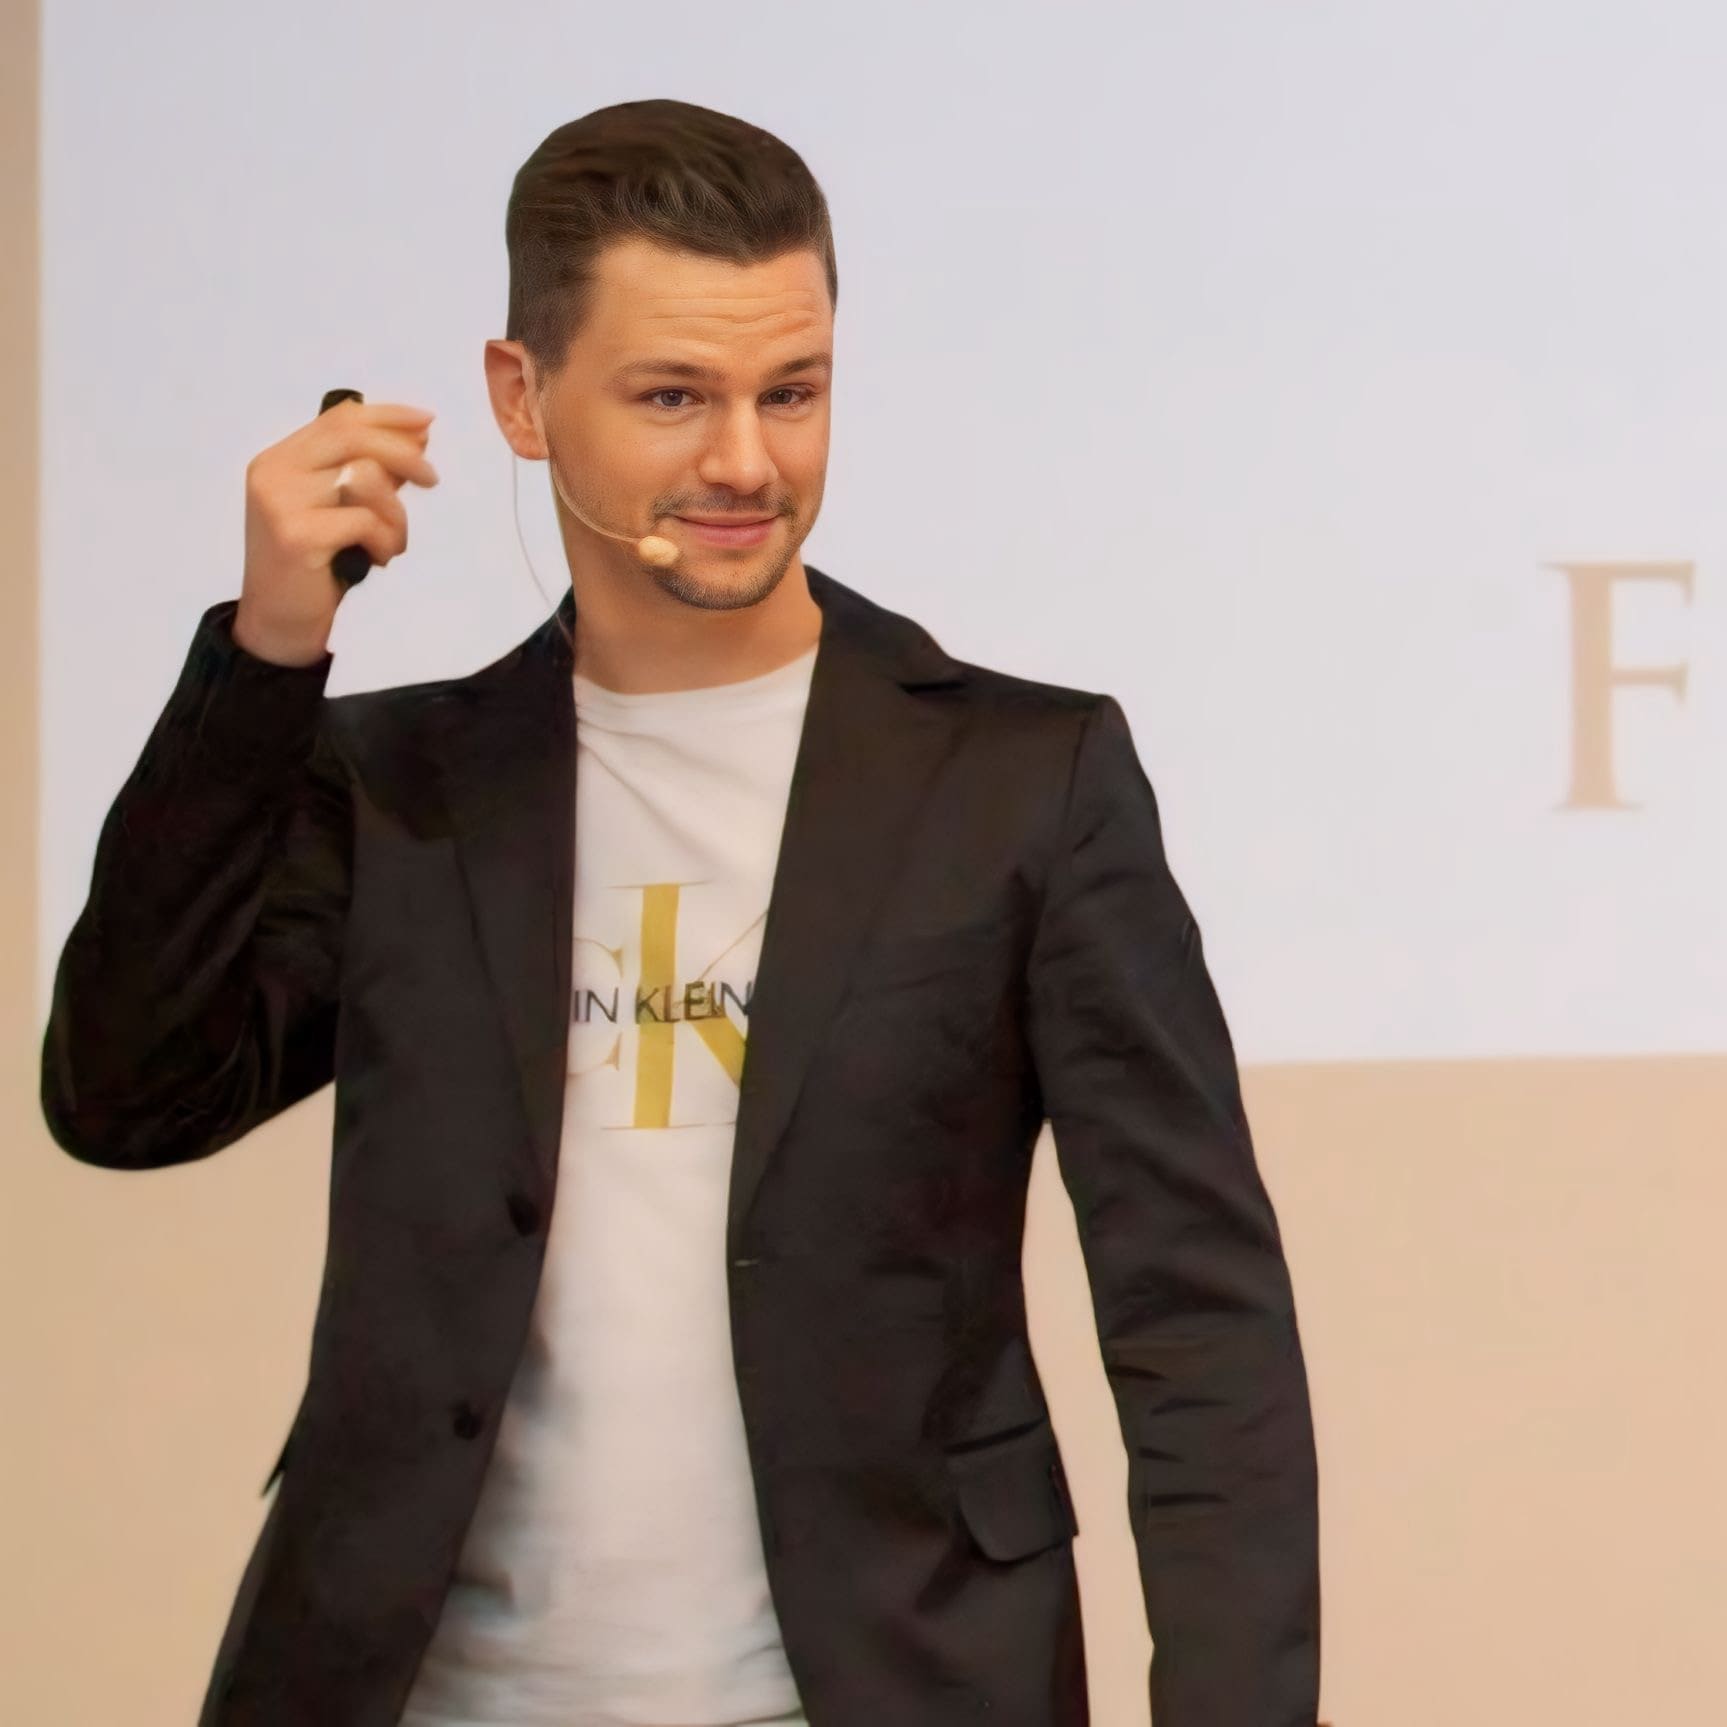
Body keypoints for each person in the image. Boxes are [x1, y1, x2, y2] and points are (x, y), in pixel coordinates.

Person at [40, 99, 1320, 1727]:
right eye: (672, 396)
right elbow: (128, 1096)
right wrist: (269, 655)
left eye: (793, 391)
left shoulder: (1023, 778)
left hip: (887, 1684)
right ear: (522, 397)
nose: (745, 460)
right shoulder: (402, 785)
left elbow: (1197, 1315)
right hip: (421, 1690)